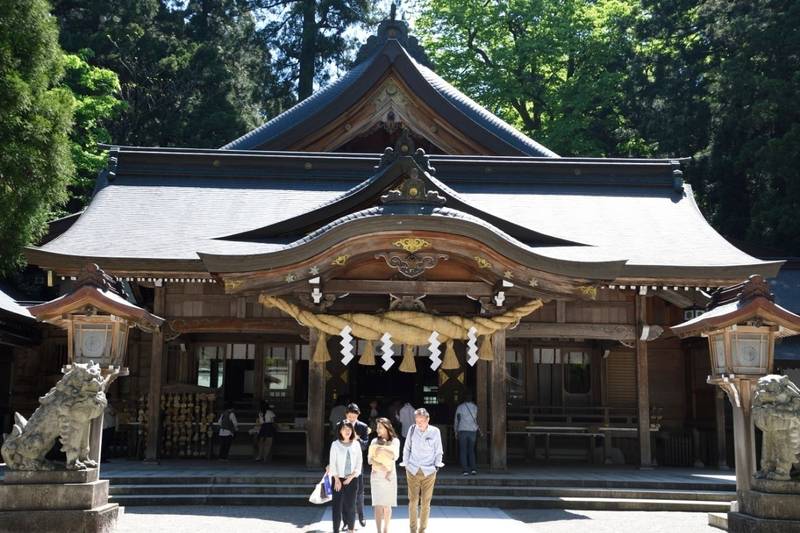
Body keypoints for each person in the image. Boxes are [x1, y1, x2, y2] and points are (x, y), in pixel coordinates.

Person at [402, 408, 443, 533]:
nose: (419, 423)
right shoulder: (412, 429)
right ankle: (413, 529)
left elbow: (439, 450)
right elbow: (407, 447)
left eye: (421, 421)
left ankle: (422, 529)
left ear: (427, 420)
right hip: (413, 469)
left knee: (426, 502)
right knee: (413, 501)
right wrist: (406, 464)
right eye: (417, 420)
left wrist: (436, 466)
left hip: (429, 470)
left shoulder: (435, 431)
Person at [329, 421, 362, 533]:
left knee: (351, 506)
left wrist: (351, 477)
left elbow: (359, 463)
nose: (347, 431)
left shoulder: (356, 444)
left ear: (352, 431)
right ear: (340, 431)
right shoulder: (335, 444)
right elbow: (332, 463)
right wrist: (337, 479)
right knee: (337, 507)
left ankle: (351, 530)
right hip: (337, 479)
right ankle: (336, 530)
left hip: (352, 479)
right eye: (344, 429)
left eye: (349, 429)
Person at [369, 418, 400, 533]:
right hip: (376, 474)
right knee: (377, 505)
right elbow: (370, 459)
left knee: (387, 505)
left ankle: (386, 528)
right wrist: (381, 464)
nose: (378, 430)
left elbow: (395, 456)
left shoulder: (395, 441)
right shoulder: (373, 441)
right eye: (377, 427)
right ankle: (378, 530)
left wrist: (381, 449)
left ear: (387, 427)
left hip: (390, 475)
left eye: (380, 427)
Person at [345, 403, 371, 528]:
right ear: (346, 415)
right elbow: (334, 443)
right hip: (343, 462)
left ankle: (361, 515)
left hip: (357, 463)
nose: (351, 417)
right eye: (349, 415)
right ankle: (345, 520)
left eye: (354, 415)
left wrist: (356, 438)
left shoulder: (363, 426)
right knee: (344, 492)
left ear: (358, 414)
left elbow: (365, 446)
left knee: (359, 490)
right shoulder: (341, 425)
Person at [454, 394, 480, 476]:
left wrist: (455, 430)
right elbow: (476, 419)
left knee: (463, 451)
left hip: (462, 430)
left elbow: (457, 419)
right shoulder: (475, 407)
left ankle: (465, 470)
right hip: (472, 431)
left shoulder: (460, 407)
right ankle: (473, 469)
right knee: (471, 450)